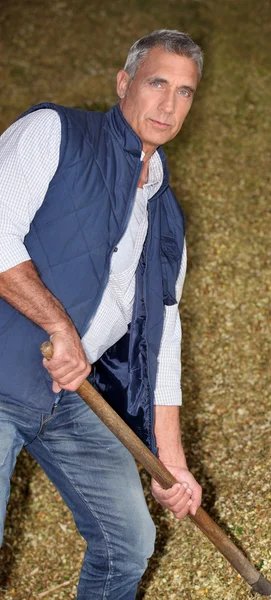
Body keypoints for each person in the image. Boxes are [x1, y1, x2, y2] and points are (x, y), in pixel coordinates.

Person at [0, 29, 203, 598]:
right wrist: (59, 326)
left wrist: (173, 460)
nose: (168, 104)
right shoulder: (54, 134)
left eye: (185, 92)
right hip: (3, 372)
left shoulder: (168, 218)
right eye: (157, 83)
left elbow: (163, 334)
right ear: (124, 83)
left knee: (129, 540)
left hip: (67, 396)